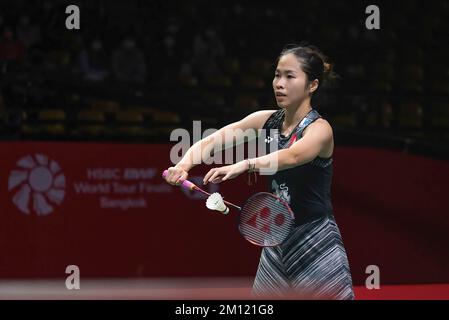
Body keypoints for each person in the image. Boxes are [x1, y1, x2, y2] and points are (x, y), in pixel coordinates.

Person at [163, 43, 354, 300]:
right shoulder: (266, 120)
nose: (279, 83)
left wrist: (245, 164)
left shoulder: (320, 129)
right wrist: (184, 165)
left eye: (290, 76)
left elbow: (293, 155)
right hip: (276, 239)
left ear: (312, 85)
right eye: (277, 74)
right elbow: (214, 140)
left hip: (315, 238)